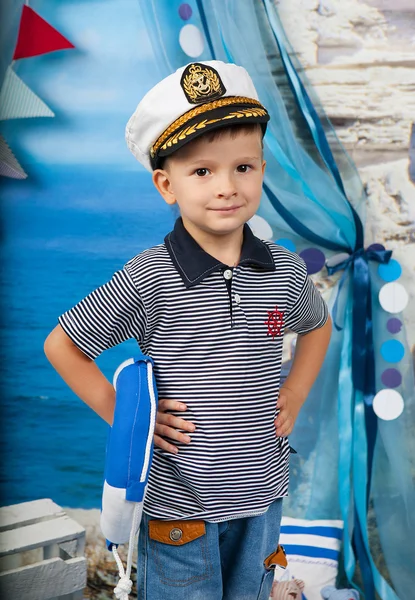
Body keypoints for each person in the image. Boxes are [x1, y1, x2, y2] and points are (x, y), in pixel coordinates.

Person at [44, 60, 332, 600]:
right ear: (166, 184)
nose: (227, 186)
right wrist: (128, 421)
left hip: (264, 498)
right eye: (202, 171)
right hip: (181, 508)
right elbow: (63, 346)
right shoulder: (150, 277)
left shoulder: (286, 272)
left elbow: (318, 326)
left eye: (243, 167)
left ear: (263, 168)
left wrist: (295, 390)